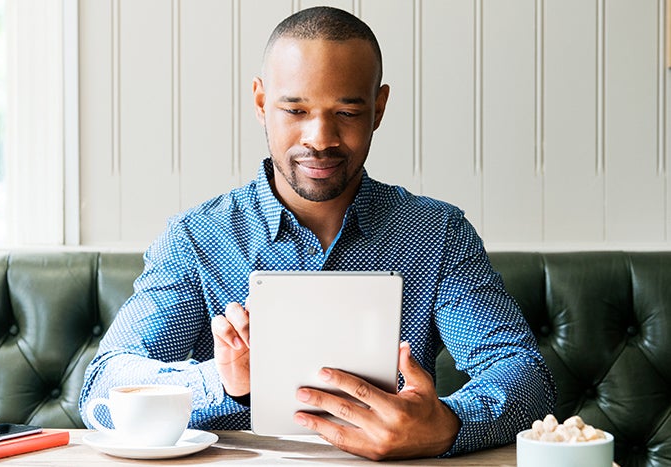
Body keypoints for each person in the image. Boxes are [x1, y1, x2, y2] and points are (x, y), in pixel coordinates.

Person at [80, 6, 556, 460]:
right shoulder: (198, 237)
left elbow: (525, 376)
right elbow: (103, 384)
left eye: (347, 113)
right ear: (262, 103)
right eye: (296, 110)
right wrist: (224, 383)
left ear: (379, 107)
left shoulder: (438, 232)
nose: (320, 139)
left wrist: (449, 423)